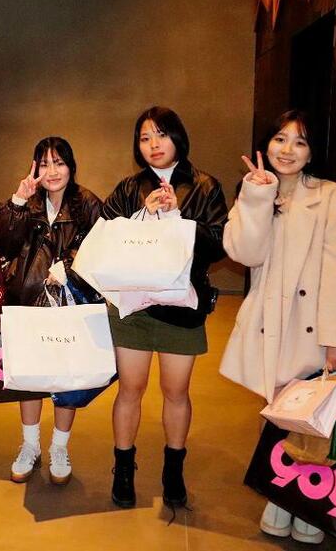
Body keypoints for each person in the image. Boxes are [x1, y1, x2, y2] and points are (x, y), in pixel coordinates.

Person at [220, 109, 336, 544]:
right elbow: (245, 253)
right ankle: (282, 493)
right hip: (271, 325)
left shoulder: (330, 196)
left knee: (316, 417)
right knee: (278, 410)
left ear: (312, 153)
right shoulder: (257, 191)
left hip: (317, 326)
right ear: (266, 144)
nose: (288, 150)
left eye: (300, 142)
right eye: (280, 139)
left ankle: (309, 503)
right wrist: (256, 197)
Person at [102, 106, 228, 509]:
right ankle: (123, 468)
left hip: (180, 307)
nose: (153, 144)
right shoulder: (129, 187)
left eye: (161, 135)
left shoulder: (205, 186)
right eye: (144, 138)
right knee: (130, 389)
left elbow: (219, 245)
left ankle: (174, 469)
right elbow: (105, 235)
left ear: (178, 137)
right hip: (133, 305)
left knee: (176, 391)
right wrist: (143, 214)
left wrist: (177, 218)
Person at [0, 136, 102, 485]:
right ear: (35, 168)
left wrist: (69, 266)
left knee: (67, 377)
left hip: (69, 302)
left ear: (71, 166)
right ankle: (30, 445)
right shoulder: (28, 202)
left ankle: (59, 447)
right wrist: (17, 201)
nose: (52, 171)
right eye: (44, 164)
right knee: (30, 378)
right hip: (25, 302)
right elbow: (2, 242)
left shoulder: (87, 203)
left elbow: (100, 247)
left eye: (59, 163)